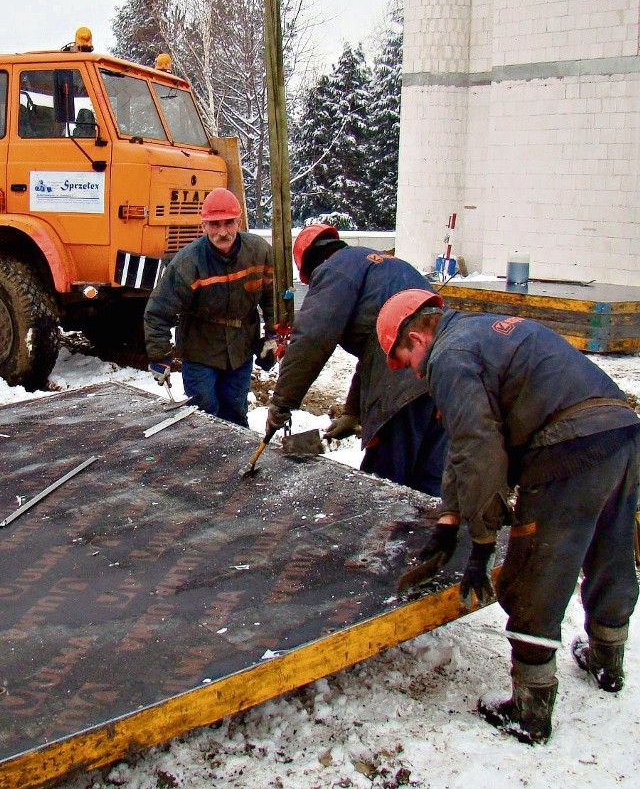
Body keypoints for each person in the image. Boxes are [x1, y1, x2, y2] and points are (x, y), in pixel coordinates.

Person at [376, 289, 639, 744]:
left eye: (405, 360)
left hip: (567, 448)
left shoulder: (449, 359)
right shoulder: (479, 332)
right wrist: (448, 521)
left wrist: (481, 543)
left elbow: (480, 451)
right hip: (622, 432)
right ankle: (606, 659)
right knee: (611, 550)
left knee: (536, 570)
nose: (414, 374)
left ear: (417, 338)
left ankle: (531, 709)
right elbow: (464, 448)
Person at [265, 225, 447, 494]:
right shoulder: (383, 265)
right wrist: (352, 413)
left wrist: (281, 402)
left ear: (309, 268)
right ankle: (434, 535)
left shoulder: (333, 271)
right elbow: (373, 353)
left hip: (404, 383)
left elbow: (312, 339)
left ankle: (382, 536)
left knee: (384, 485)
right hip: (447, 374)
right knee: (429, 482)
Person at [144, 187, 274, 427]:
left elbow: (272, 297)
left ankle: (237, 460)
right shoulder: (188, 263)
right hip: (200, 348)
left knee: (235, 411)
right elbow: (158, 311)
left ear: (239, 222)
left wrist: (273, 335)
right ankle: (204, 461)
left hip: (241, 347)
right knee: (204, 412)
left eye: (229, 223)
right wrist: (159, 355)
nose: (222, 232)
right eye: (214, 225)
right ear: (203, 226)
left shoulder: (259, 252)